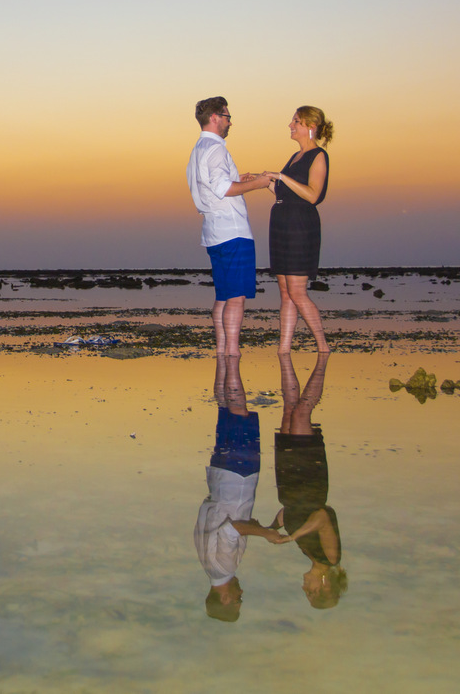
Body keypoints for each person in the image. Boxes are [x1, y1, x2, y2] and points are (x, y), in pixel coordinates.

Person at [195, 353, 281, 622]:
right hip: (220, 476)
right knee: (224, 407)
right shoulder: (207, 564)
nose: (242, 593)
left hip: (239, 478)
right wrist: (271, 527)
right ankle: (223, 350)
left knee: (239, 410)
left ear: (224, 598)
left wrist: (266, 534)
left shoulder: (226, 567)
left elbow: (233, 528)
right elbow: (231, 523)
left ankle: (231, 355)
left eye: (238, 599)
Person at [188, 97, 272, 356]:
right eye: (226, 116)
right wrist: (258, 183)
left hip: (213, 233)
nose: (229, 121)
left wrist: (239, 179)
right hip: (233, 231)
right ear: (214, 117)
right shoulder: (216, 150)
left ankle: (223, 350)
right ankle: (233, 353)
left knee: (223, 296)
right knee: (236, 297)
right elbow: (224, 189)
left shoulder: (198, 150)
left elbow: (212, 187)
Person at [270, 348, 348, 609]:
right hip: (309, 480)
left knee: (289, 409)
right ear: (324, 585)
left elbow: (292, 514)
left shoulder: (308, 553)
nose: (304, 587)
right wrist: (291, 537)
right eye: (310, 591)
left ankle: (285, 352)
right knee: (303, 413)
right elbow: (321, 518)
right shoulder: (331, 557)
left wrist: (273, 528)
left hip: (290, 482)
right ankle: (323, 358)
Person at [262, 106, 334, 354]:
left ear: (310, 127)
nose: (290, 125)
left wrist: (281, 176)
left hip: (300, 226)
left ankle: (323, 346)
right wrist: (265, 183)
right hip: (282, 223)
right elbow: (286, 192)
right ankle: (284, 348)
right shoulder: (294, 157)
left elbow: (313, 195)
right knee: (285, 292)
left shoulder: (318, 155)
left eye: (296, 121)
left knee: (297, 291)